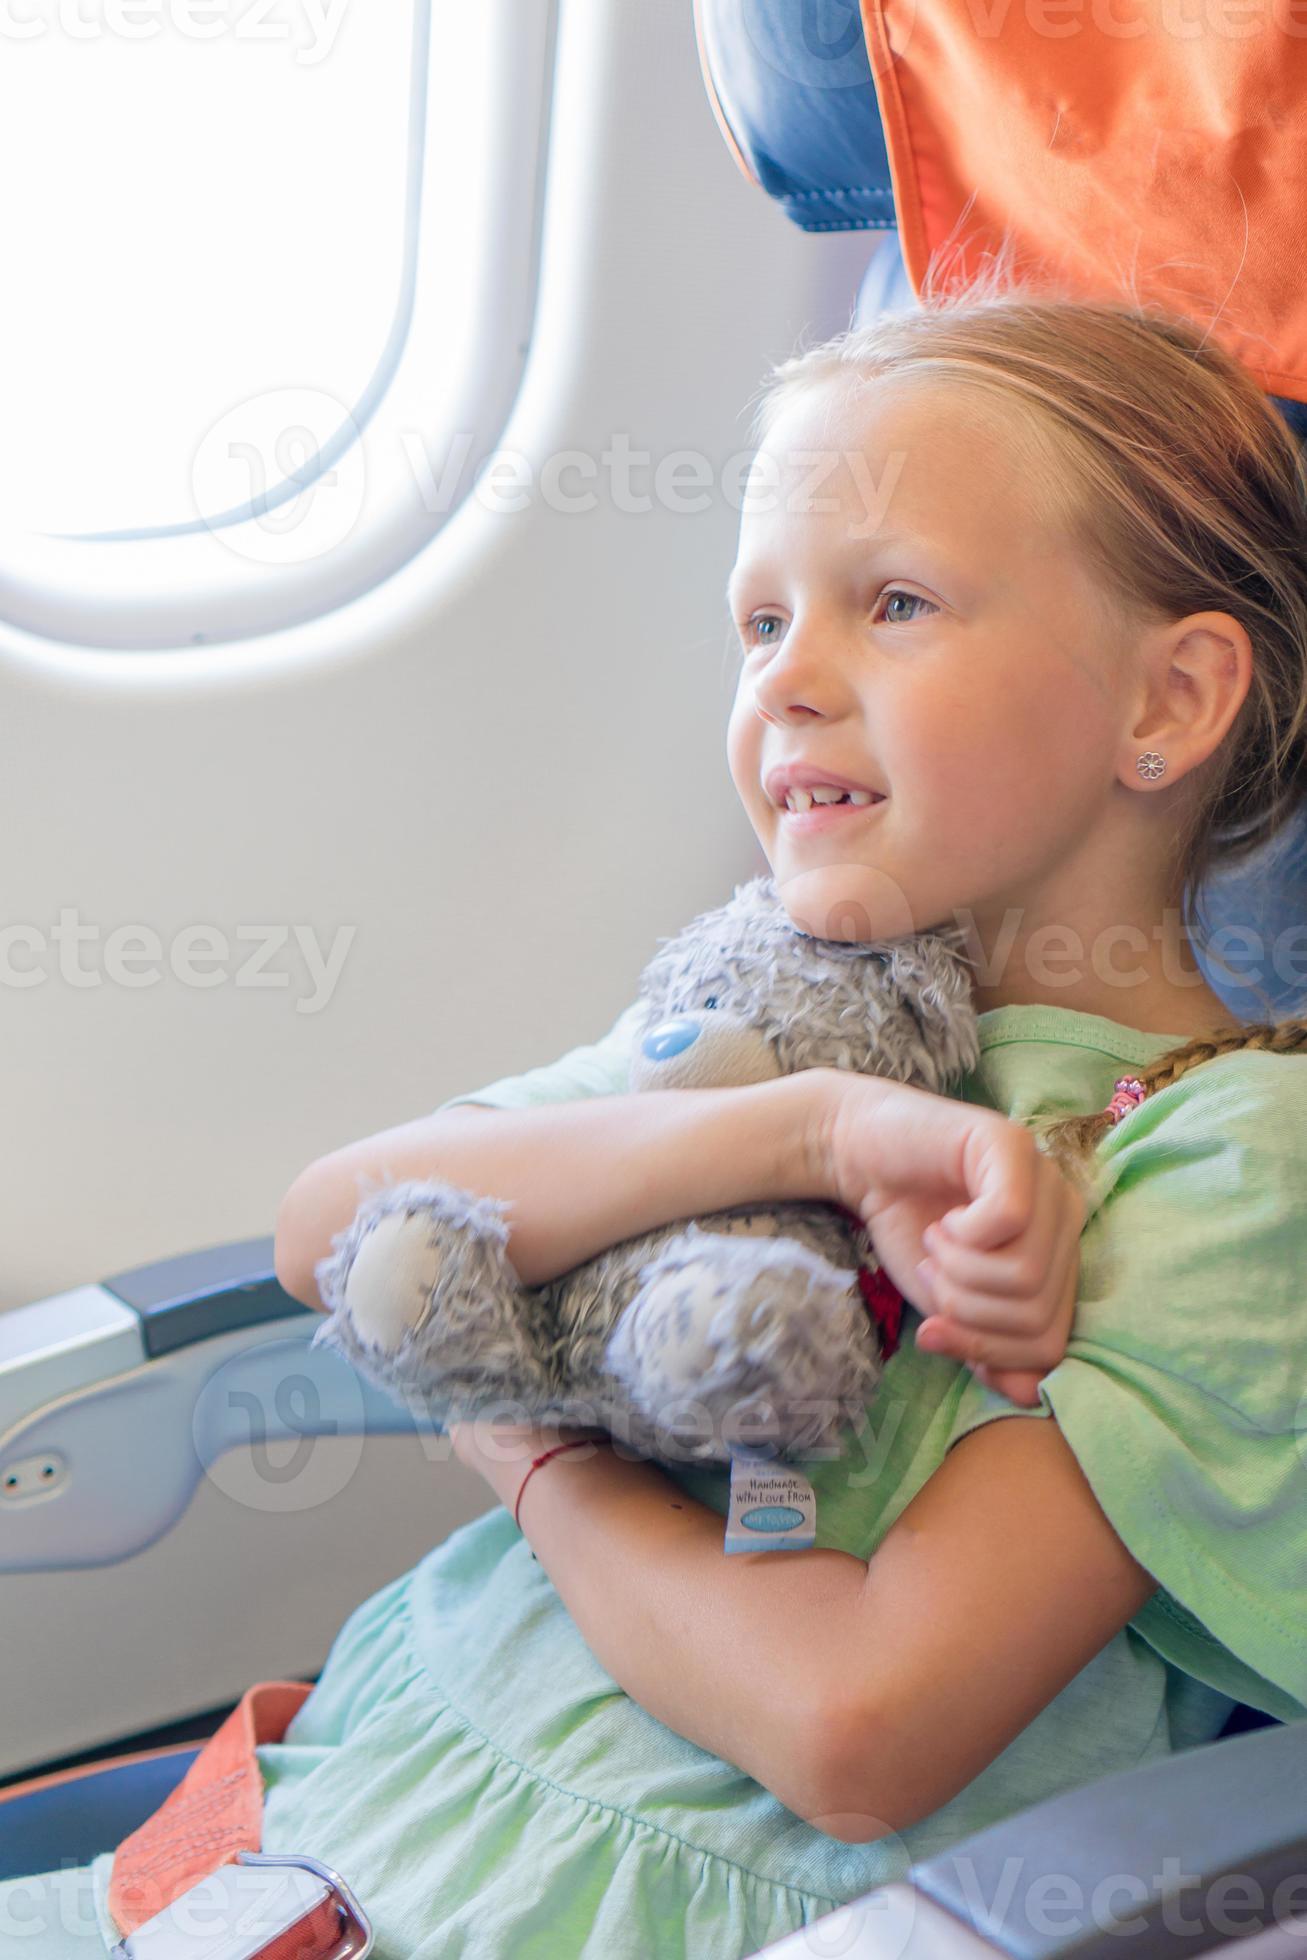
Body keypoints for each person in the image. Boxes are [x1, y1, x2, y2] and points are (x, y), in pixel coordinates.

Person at [9, 266, 1307, 1959]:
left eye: (893, 604)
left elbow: (854, 1728)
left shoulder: (1216, 1162)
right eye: (760, 622)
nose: (789, 681)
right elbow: (333, 1224)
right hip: (324, 1823)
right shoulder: (763, 1017)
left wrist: (532, 1461)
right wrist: (808, 1137)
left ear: (1168, 703)